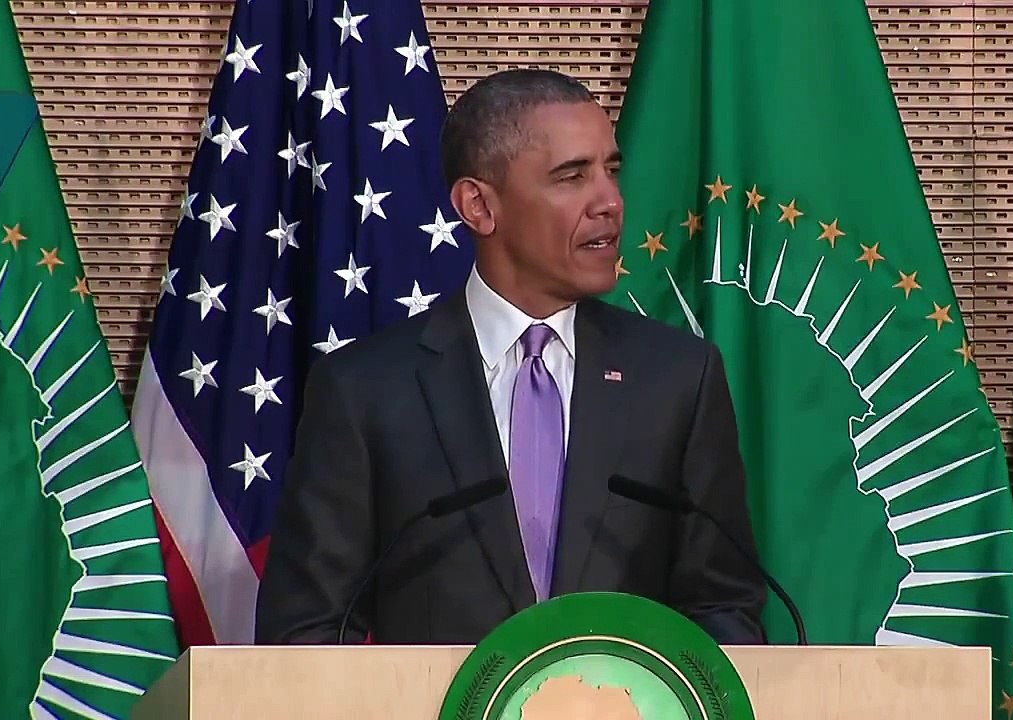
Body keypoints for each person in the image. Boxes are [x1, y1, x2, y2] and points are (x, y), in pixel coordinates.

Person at [255, 68, 767, 645]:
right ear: (478, 206)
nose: (610, 202)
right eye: (572, 176)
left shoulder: (679, 378)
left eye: (612, 171)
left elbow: (723, 606)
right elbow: (308, 632)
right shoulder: (365, 390)